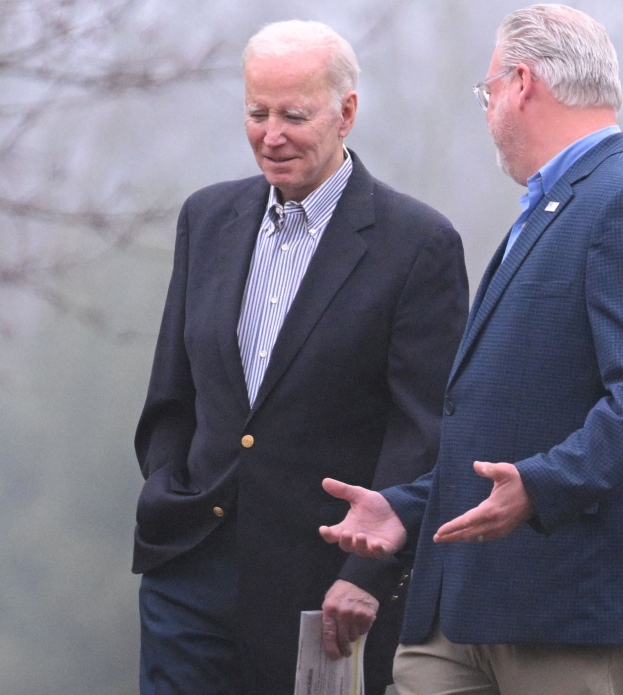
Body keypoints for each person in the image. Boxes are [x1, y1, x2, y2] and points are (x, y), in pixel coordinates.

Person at [319, 5, 623, 695]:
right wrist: (406, 506)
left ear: (521, 82)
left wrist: (545, 486)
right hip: (461, 611)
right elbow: (515, 423)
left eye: (487, 89)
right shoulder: (547, 208)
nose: (487, 107)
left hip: (569, 615)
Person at [132, 19, 468, 695]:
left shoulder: (418, 245)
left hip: (325, 590)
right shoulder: (206, 218)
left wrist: (369, 574)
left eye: (294, 114)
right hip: (189, 570)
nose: (271, 134)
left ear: (346, 112)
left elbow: (424, 432)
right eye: (257, 113)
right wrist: (168, 489)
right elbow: (173, 392)